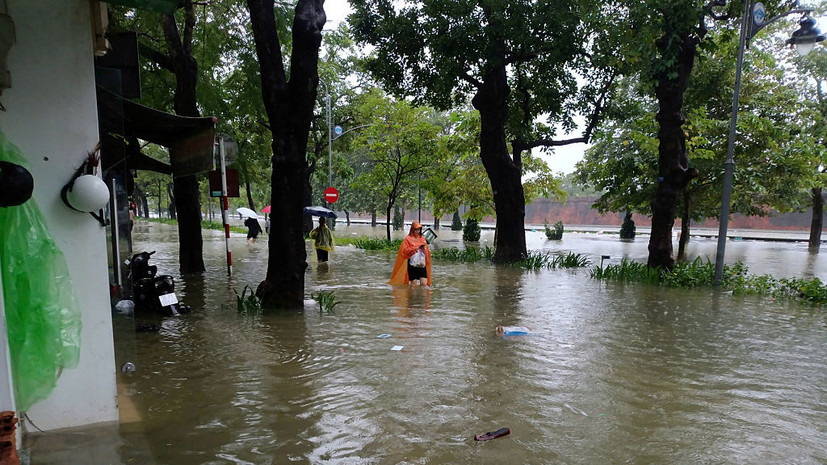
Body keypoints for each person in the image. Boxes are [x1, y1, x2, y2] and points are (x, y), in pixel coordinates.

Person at [389, 221, 432, 287]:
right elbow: (404, 252)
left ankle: (421, 296)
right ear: (412, 229)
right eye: (416, 229)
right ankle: (412, 296)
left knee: (424, 283)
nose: (417, 231)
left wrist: (423, 248)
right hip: (412, 264)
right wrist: (415, 248)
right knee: (413, 284)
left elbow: (426, 250)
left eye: (419, 229)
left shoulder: (422, 238)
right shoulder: (407, 239)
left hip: (421, 263)